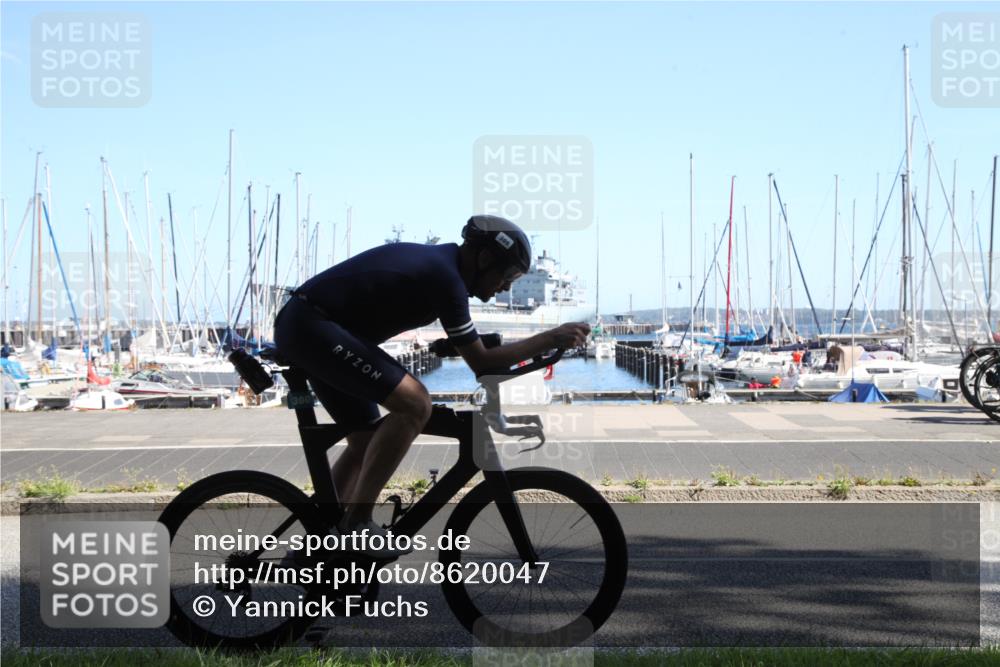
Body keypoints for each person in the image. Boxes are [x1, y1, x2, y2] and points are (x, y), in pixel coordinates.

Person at [273, 215, 590, 557]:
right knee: (415, 404)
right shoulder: (446, 278)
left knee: (366, 443)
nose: (506, 287)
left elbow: (467, 344)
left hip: (314, 328)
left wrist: (457, 346)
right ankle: (357, 524)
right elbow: (482, 362)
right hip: (312, 328)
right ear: (484, 259)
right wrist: (550, 337)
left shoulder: (445, 272)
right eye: (508, 275)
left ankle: (316, 549)